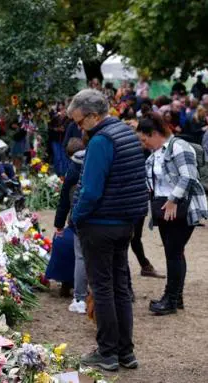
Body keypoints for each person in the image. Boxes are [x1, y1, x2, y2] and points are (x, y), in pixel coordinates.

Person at [69, 89, 148, 371]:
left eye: (80, 122)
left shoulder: (102, 140)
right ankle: (125, 351)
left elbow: (90, 190)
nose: (79, 128)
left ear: (93, 115)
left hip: (101, 224)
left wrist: (76, 217)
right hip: (124, 222)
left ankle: (108, 352)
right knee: (121, 287)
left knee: (102, 289)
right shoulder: (125, 133)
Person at [137, 112, 208, 315]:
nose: (144, 144)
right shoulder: (156, 153)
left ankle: (170, 299)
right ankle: (176, 298)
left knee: (174, 253)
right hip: (166, 210)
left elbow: (189, 176)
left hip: (181, 209)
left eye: (144, 139)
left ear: (154, 133)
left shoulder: (179, 147)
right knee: (174, 253)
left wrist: (172, 200)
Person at [53, 137, 87, 313]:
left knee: (80, 256)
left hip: (78, 219)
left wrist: (59, 224)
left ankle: (79, 296)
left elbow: (64, 200)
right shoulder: (94, 160)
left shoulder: (72, 170)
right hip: (102, 217)